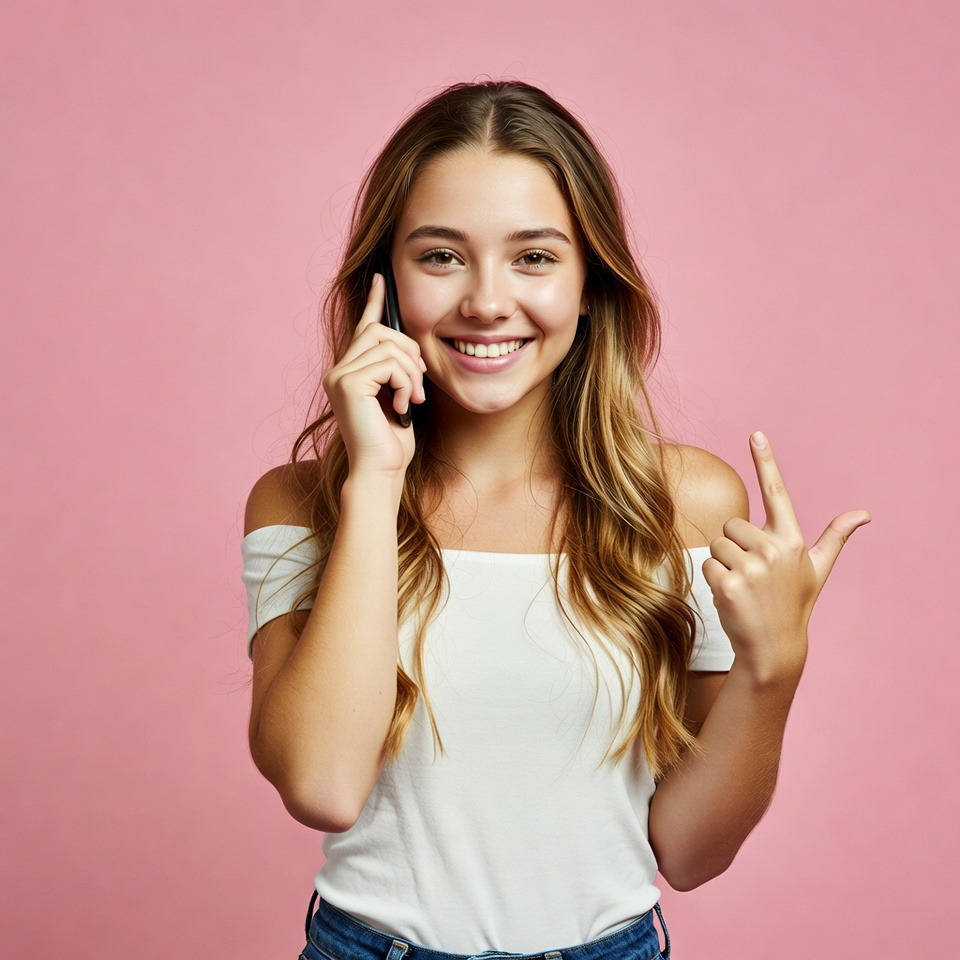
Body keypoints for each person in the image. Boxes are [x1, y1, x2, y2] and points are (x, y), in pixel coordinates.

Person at [241, 80, 869, 960]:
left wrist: (776, 671)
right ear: (384, 282)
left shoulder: (685, 506)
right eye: (441, 256)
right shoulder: (301, 506)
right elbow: (323, 784)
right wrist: (376, 483)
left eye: (533, 257)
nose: (488, 301)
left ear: (588, 284)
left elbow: (688, 853)